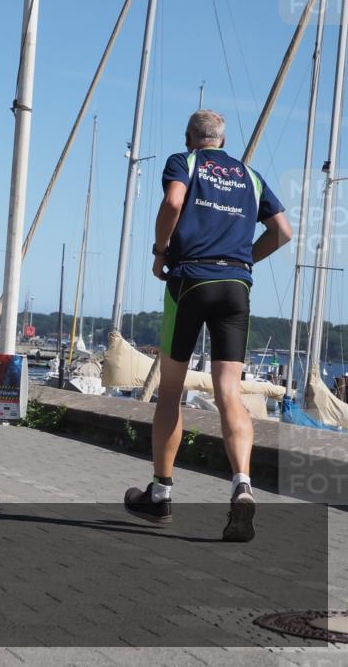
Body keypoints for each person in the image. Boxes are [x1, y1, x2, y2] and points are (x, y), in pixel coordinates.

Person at [123, 110, 291, 542]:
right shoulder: (251, 177)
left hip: (190, 282)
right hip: (236, 287)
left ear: (191, 137)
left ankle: (160, 493)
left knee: (172, 390)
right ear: (223, 138)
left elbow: (173, 202)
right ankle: (243, 486)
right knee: (229, 392)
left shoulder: (186, 161)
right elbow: (284, 231)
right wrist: (244, 260)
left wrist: (161, 251)